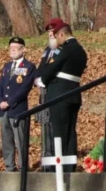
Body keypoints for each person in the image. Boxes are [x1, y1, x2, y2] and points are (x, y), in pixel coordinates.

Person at [39, 18, 88, 172]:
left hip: (60, 95)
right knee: (70, 131)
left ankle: (61, 168)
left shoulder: (67, 49)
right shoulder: (80, 50)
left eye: (56, 36)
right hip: (73, 94)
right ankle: (69, 165)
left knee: (59, 131)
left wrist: (43, 79)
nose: (56, 40)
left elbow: (50, 70)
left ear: (61, 35)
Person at [0, 37, 36, 172]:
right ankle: (9, 166)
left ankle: (22, 166)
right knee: (7, 141)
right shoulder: (7, 66)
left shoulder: (29, 67)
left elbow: (25, 88)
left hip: (17, 109)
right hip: (3, 110)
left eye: (15, 47)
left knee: (20, 141)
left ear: (23, 49)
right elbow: (0, 86)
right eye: (10, 48)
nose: (12, 50)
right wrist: (0, 101)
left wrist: (10, 102)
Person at [35, 21, 61, 171]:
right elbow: (41, 68)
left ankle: (54, 165)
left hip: (54, 92)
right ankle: (46, 162)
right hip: (43, 94)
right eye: (49, 32)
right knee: (45, 128)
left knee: (53, 129)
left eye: (53, 31)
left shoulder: (63, 50)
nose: (50, 34)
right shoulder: (47, 50)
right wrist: (37, 79)